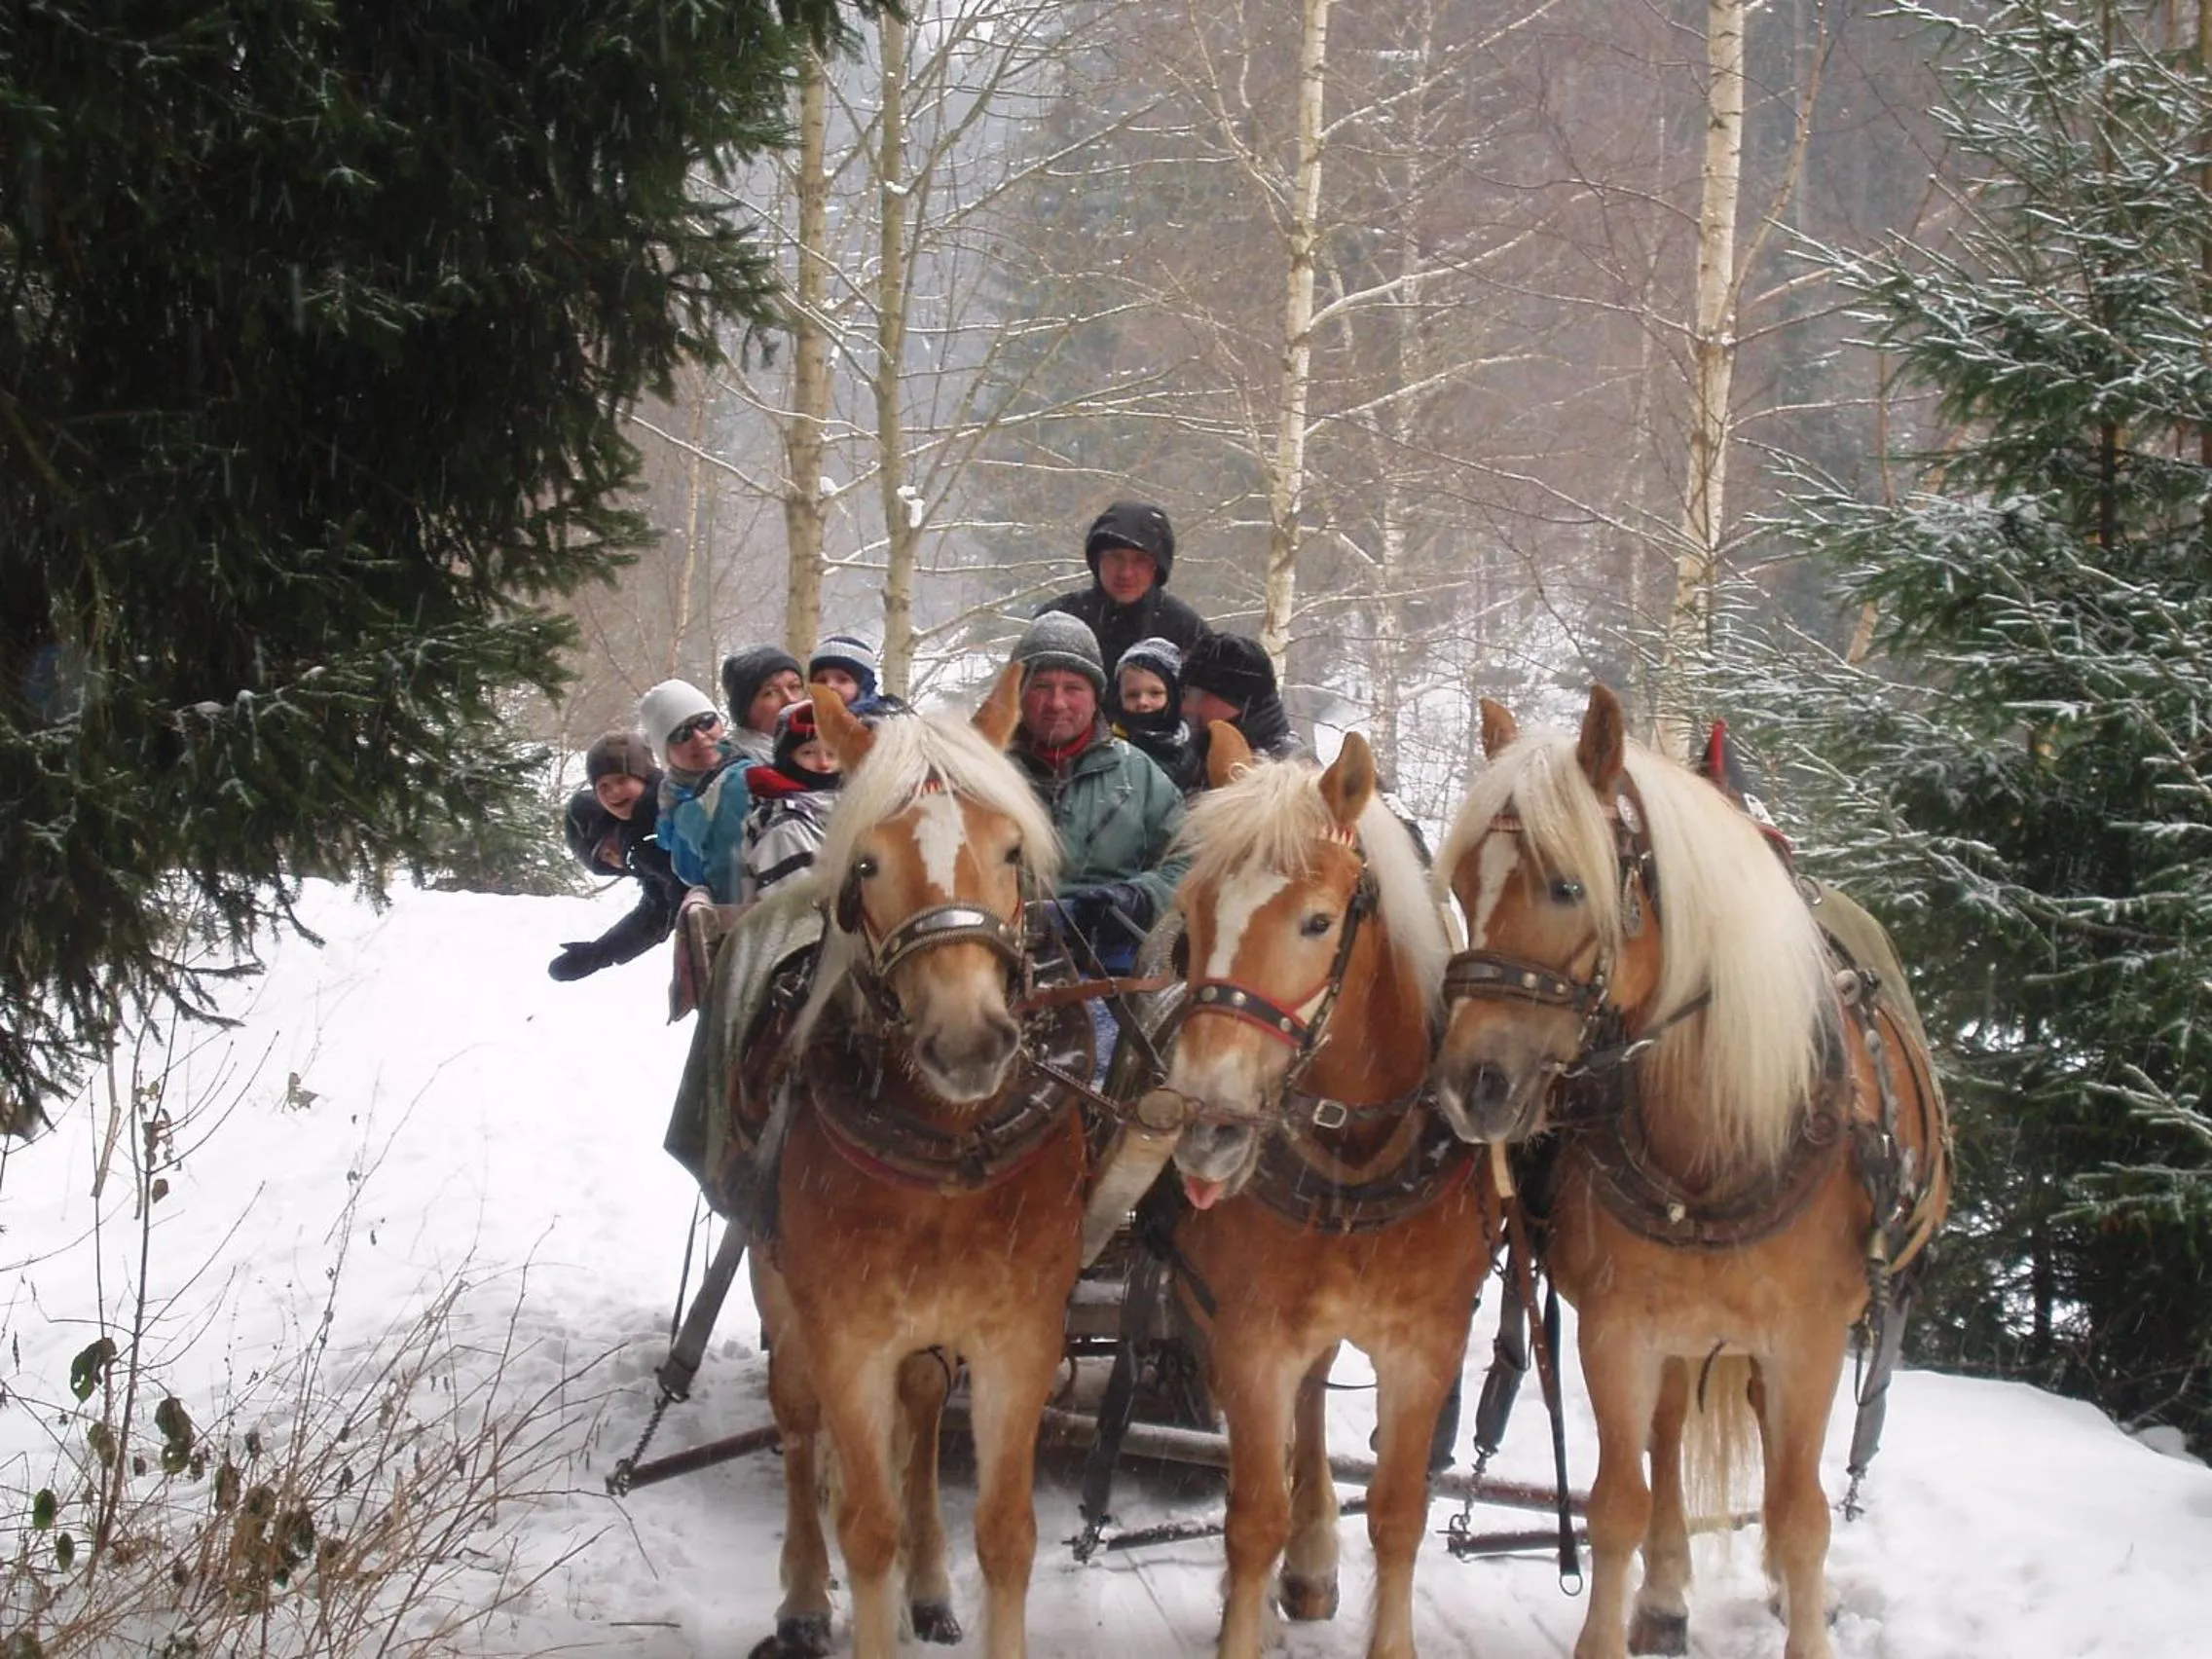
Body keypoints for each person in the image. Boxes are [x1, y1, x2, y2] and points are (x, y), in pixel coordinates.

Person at [1005, 611, 1188, 970]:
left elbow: (1190, 860)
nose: (1057, 703)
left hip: (1113, 967)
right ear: (1017, 694)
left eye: (1073, 688)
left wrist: (1139, 899)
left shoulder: (1139, 774)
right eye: (1041, 686)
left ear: (1096, 697)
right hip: (997, 960)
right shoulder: (980, 772)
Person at [1038, 501, 1209, 720]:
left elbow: (1209, 715)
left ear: (1157, 567)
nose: (1126, 573)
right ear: (1097, 560)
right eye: (1115, 557)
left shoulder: (1186, 629)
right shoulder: (1059, 621)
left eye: (1140, 560)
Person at [547, 731, 686, 980]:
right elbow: (657, 911)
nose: (613, 791)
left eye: (622, 779)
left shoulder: (666, 814)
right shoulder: (641, 845)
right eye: (603, 787)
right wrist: (600, 953)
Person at [642, 678, 753, 905]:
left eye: (706, 722)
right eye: (681, 734)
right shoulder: (674, 809)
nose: (699, 737)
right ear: (665, 753)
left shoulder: (764, 760)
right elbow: (692, 874)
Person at [738, 699, 843, 904]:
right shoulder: (785, 827)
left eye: (832, 753)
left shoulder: (851, 808)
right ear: (787, 757)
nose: (823, 764)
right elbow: (802, 910)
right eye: (808, 752)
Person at [1180, 630, 1303, 778]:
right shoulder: (1197, 753)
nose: (1187, 707)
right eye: (1185, 695)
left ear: (1237, 701)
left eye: (1198, 696)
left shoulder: (1287, 773)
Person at [1110, 637, 1200, 796]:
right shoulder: (1111, 752)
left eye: (1155, 693)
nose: (1143, 702)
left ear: (1174, 696)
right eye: (1132, 695)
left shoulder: (1195, 750)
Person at [719, 645, 806, 760]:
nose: (790, 700)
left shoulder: (819, 750)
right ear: (745, 709)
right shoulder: (737, 766)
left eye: (794, 686)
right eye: (770, 693)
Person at [806, 632, 903, 718]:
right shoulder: (803, 722)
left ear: (864, 685)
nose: (829, 686)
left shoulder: (888, 724)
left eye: (842, 680)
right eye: (821, 681)